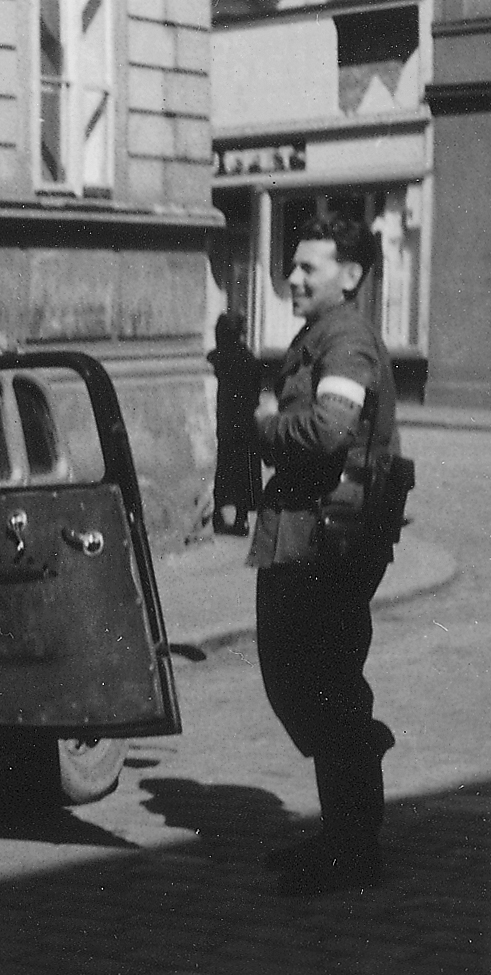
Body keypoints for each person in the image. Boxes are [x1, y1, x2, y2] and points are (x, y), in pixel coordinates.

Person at [249, 215, 404, 897]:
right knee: (303, 681)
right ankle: (342, 831)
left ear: (351, 274)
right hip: (308, 534)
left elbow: (328, 430)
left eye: (307, 267)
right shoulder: (320, 334)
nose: (292, 277)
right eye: (292, 265)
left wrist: (259, 428)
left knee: (325, 684)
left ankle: (353, 847)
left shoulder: (344, 339)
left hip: (330, 542)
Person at [209, 311, 262, 536]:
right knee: (244, 473)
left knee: (223, 470)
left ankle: (217, 514)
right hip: (245, 424)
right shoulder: (248, 359)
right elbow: (255, 393)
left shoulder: (216, 358)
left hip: (225, 423)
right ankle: (241, 518)